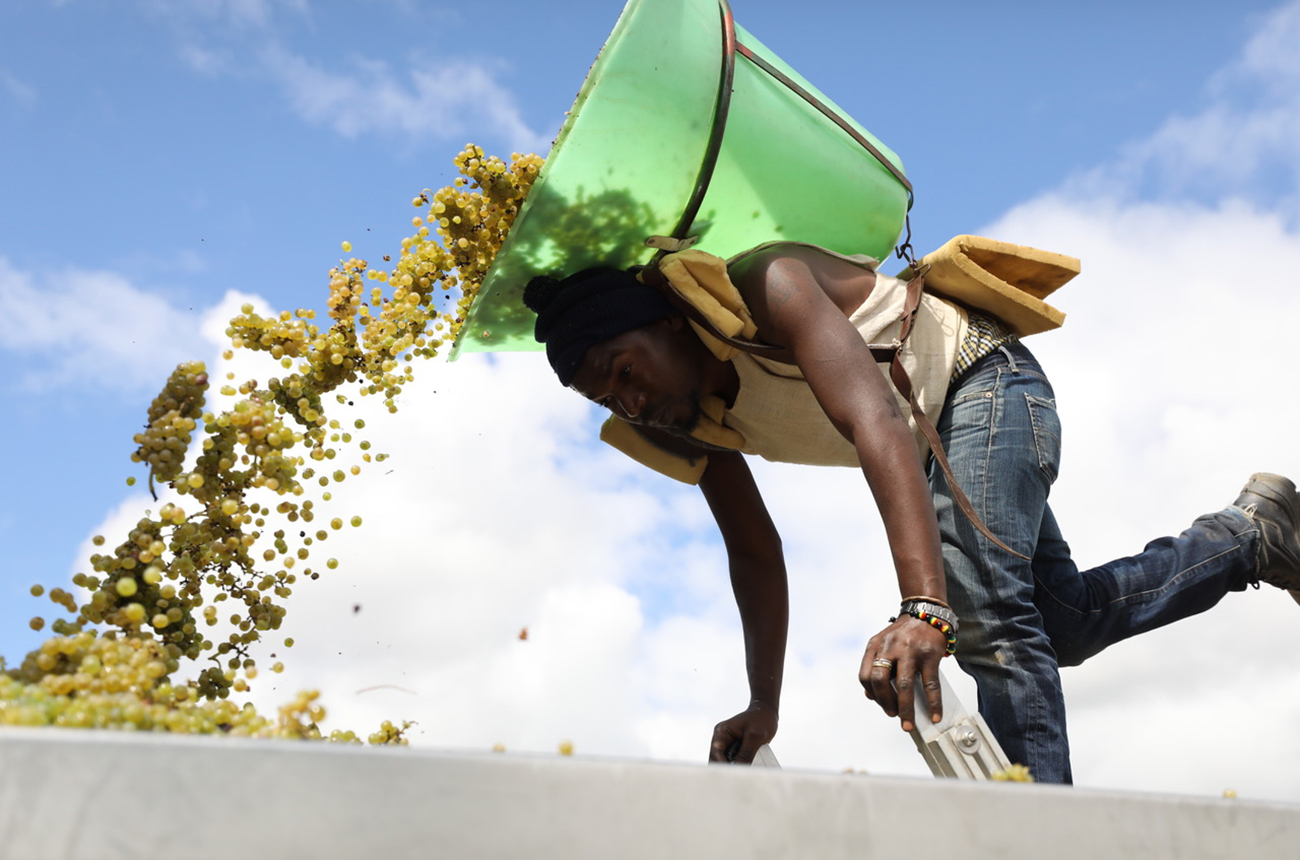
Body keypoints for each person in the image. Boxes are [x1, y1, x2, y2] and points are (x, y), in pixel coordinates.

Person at [521, 240, 1300, 783]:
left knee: (986, 617)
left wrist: (925, 607)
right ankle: (1251, 538)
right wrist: (765, 703)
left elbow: (877, 423)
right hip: (938, 444)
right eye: (604, 397)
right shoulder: (689, 419)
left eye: (624, 370)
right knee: (1057, 623)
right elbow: (754, 551)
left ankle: (1044, 834)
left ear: (665, 324)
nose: (629, 400)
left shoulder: (767, 286)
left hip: (981, 383)